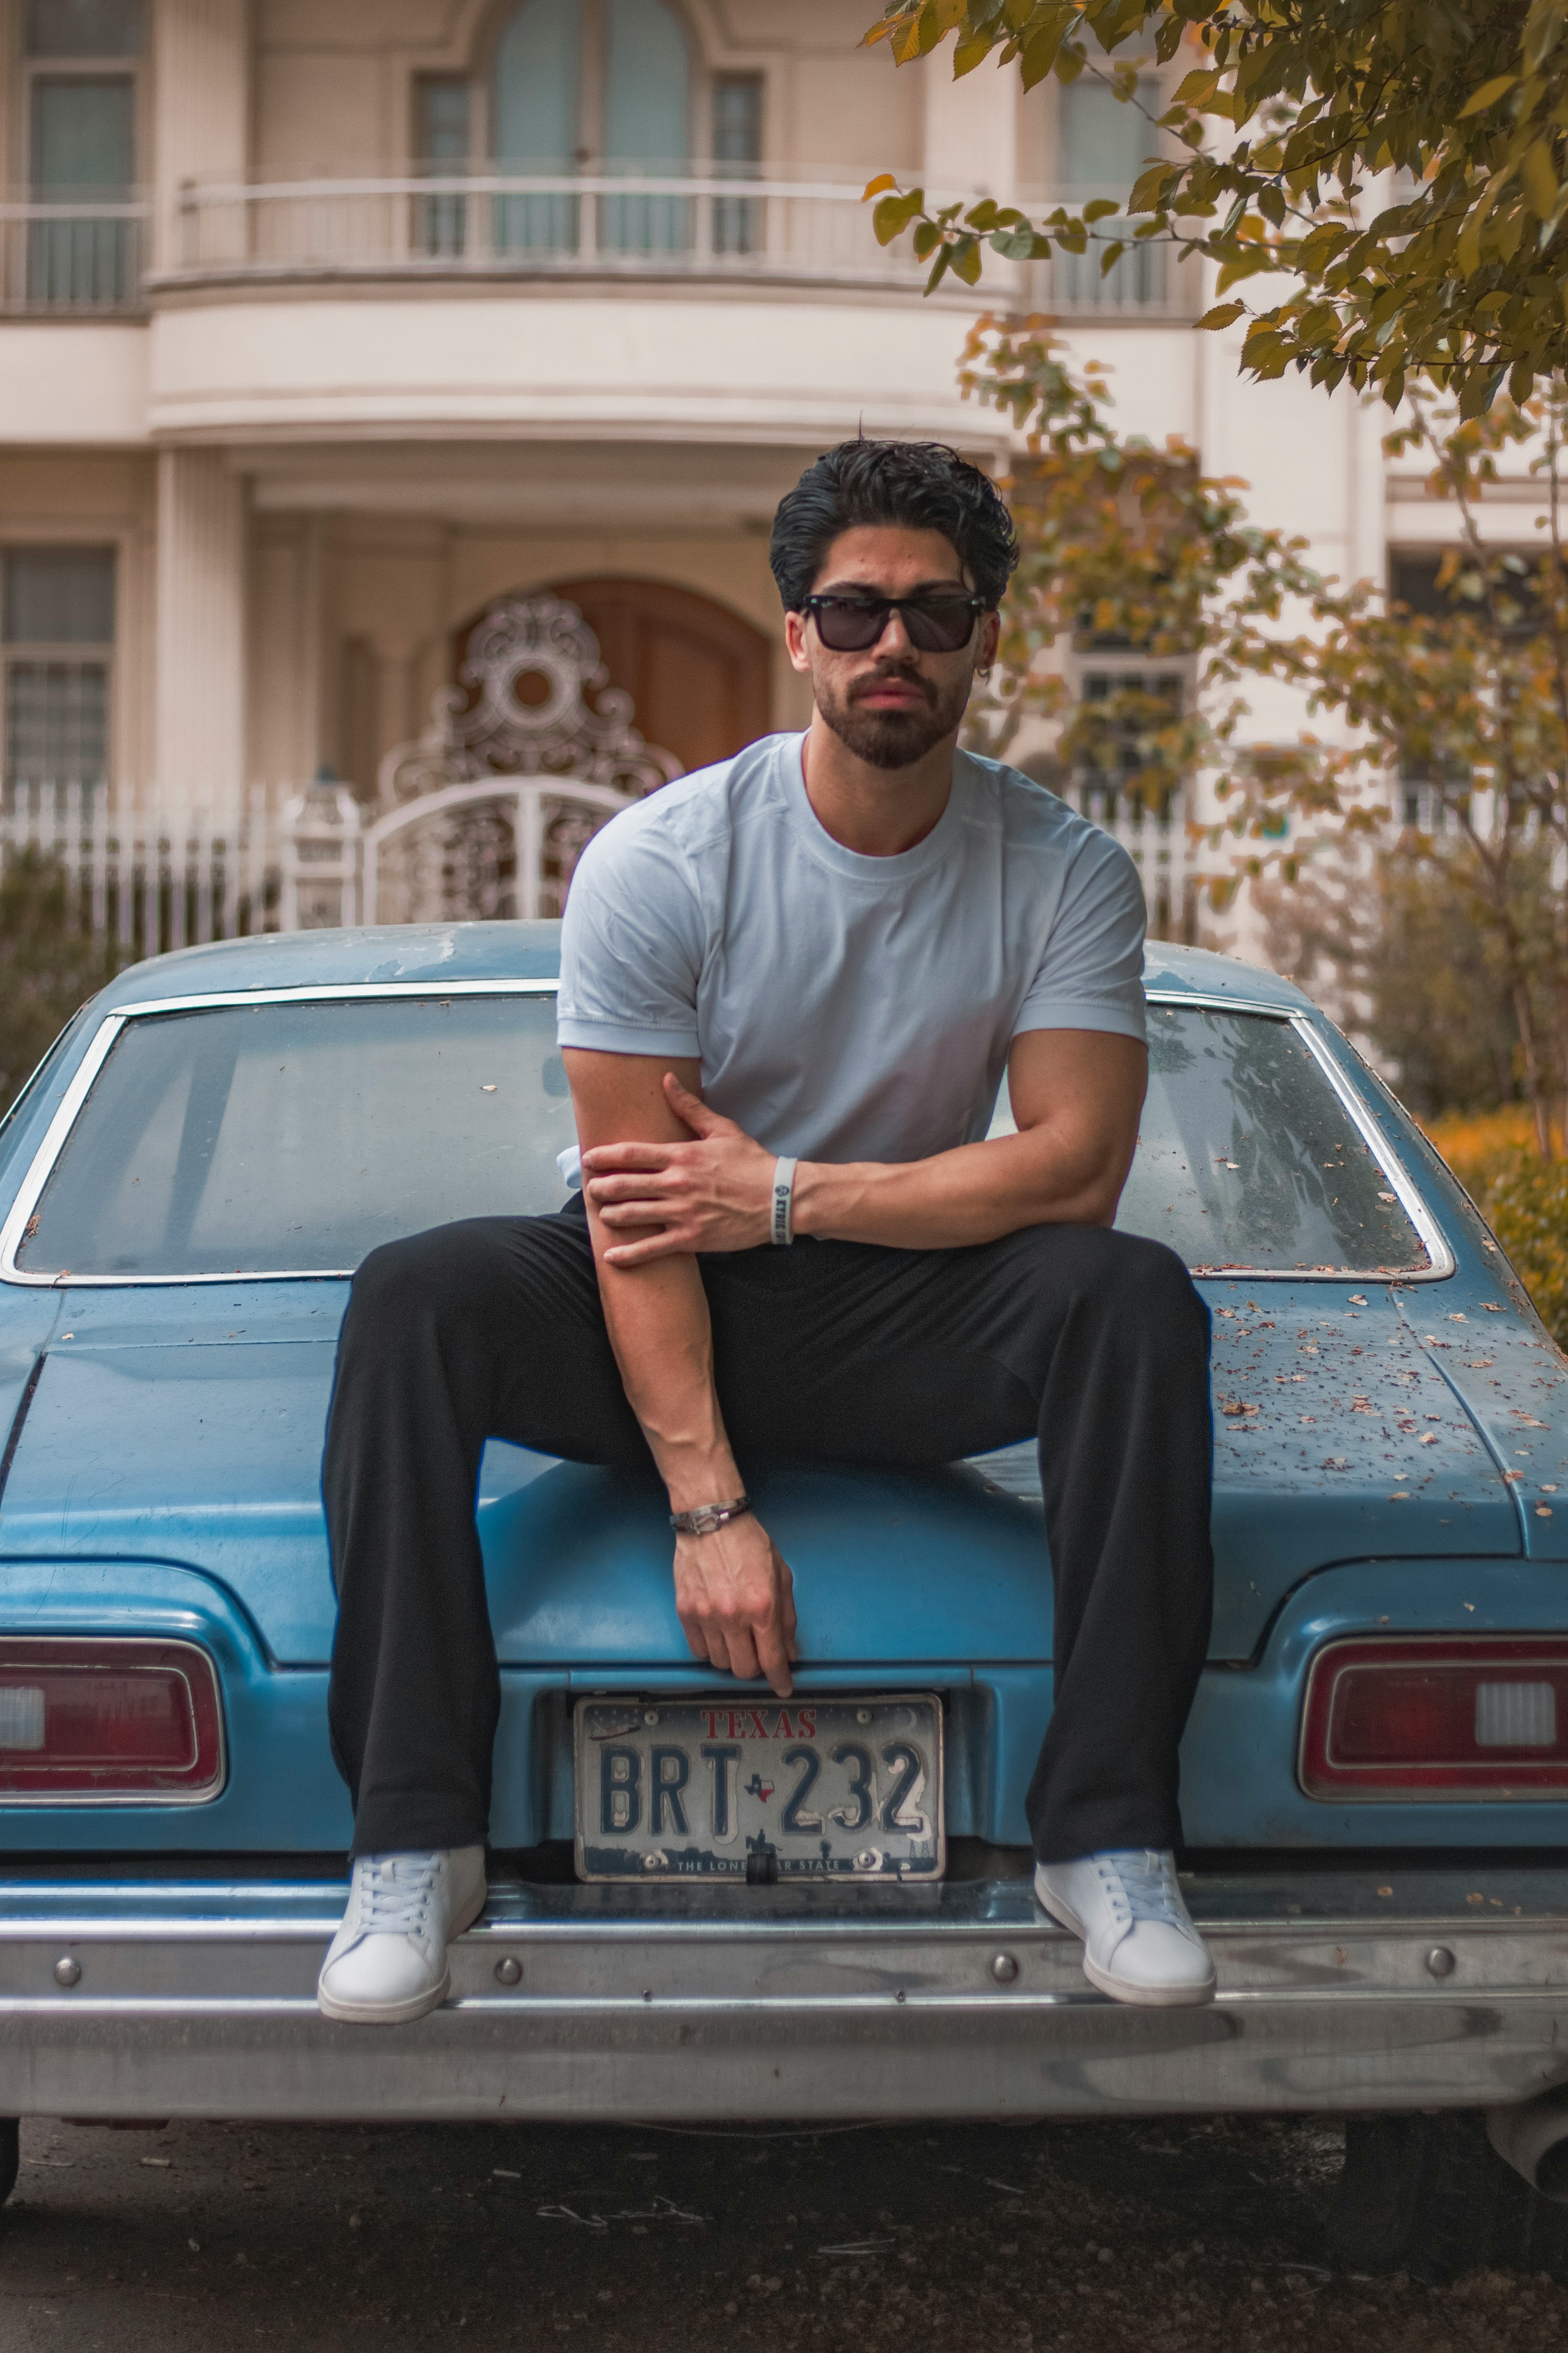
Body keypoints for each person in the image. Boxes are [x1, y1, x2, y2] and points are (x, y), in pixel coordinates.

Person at [315, 439, 1216, 2027]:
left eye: (936, 613)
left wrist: (789, 1192)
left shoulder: (1065, 870)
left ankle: (1109, 1838)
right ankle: (414, 1842)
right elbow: (642, 1211)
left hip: (905, 1303)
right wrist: (708, 1512)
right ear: (797, 632)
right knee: (413, 1298)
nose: (894, 644)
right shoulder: (664, 859)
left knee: (1131, 1299)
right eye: (855, 610)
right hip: (666, 1292)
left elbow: (1074, 1171)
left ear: (985, 639)